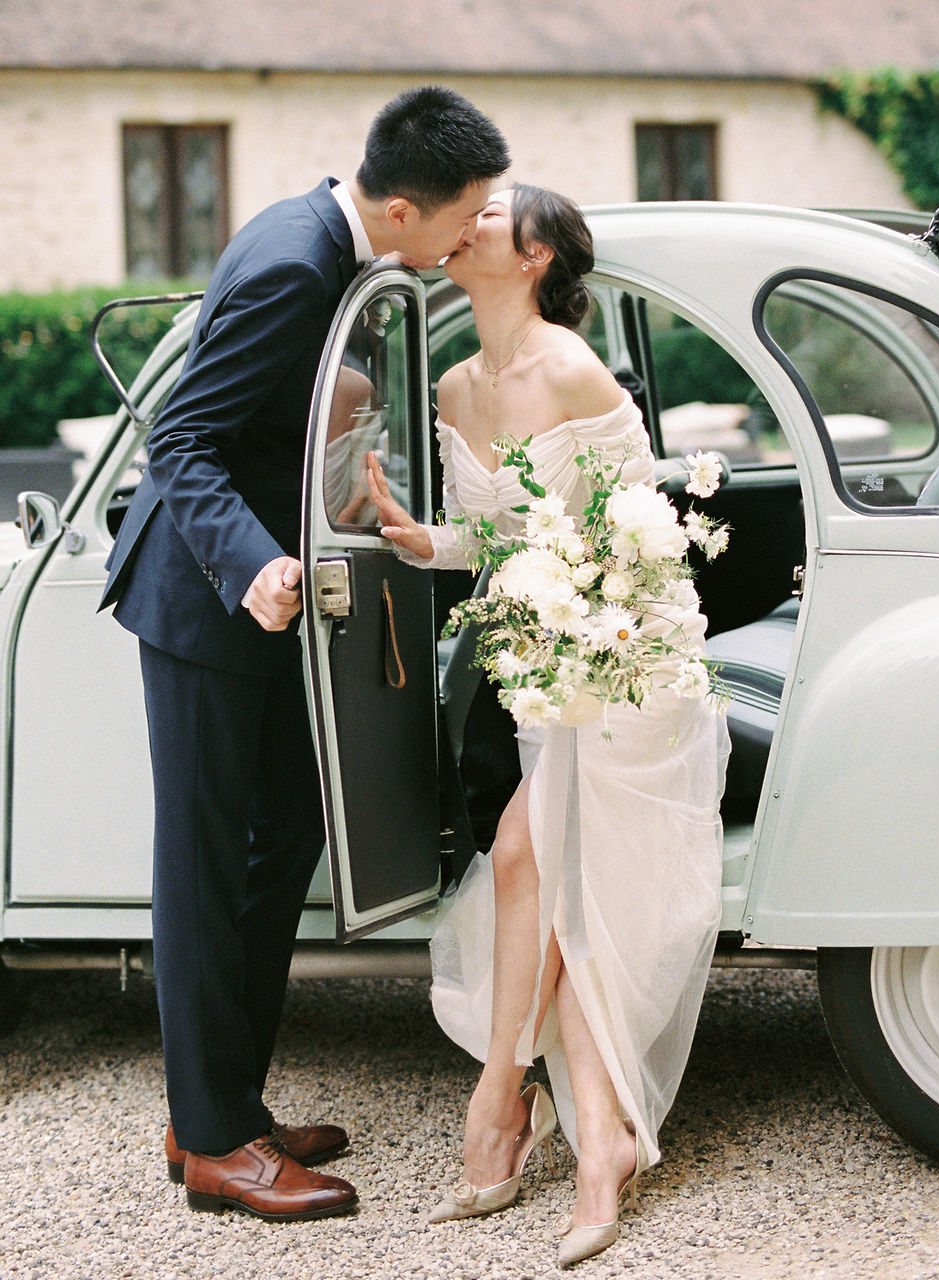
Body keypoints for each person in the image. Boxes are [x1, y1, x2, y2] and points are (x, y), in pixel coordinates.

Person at [99, 86, 509, 1223]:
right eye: (465, 214)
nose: (473, 233)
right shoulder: (292, 261)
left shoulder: (330, 246)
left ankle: (226, 1101)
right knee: (207, 867)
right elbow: (181, 435)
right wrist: (253, 566)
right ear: (401, 206)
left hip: (274, 599)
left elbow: (286, 416)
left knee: (280, 840)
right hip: (207, 604)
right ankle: (213, 1143)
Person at [367, 184, 729, 1267]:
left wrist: (594, 639)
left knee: (541, 858)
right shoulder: (454, 383)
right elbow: (491, 538)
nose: (463, 221)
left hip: (629, 655)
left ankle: (580, 1135)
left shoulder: (572, 366)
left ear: (533, 257)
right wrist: (415, 538)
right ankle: (540, 1111)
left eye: (490, 215)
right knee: (533, 857)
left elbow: (644, 531)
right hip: (546, 668)